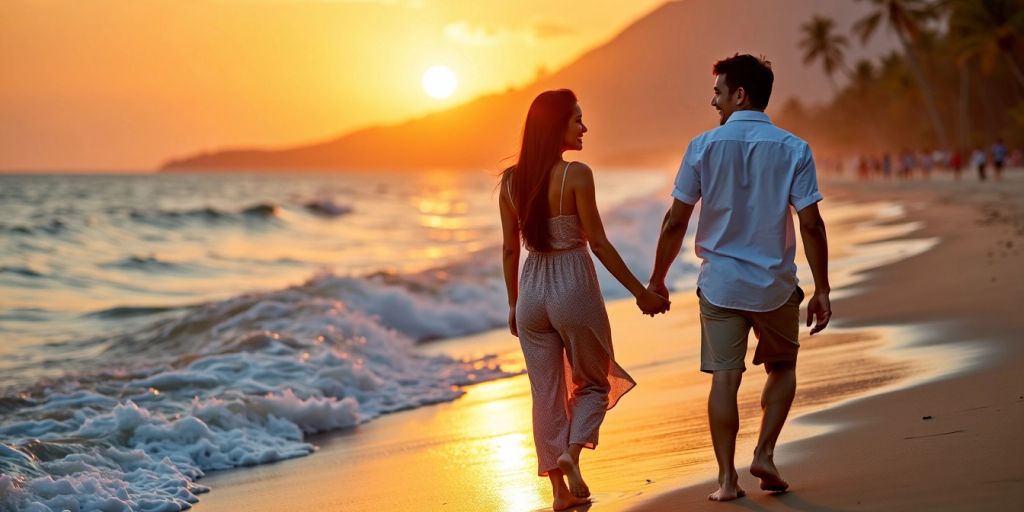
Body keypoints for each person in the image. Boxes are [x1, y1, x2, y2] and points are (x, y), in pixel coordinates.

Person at [647, 54, 831, 501]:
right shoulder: (794, 148)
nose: (713, 101)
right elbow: (810, 223)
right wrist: (822, 288)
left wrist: (657, 279)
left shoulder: (702, 147)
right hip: (774, 285)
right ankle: (764, 452)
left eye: (718, 92)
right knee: (782, 367)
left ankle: (727, 479)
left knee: (724, 379)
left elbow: (675, 221)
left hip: (722, 286)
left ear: (739, 94)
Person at [499, 89, 670, 510]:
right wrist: (640, 292)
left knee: (546, 393)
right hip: (572, 284)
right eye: (577, 119)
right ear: (556, 126)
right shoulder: (576, 174)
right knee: (593, 381)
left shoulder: (508, 182)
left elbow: (508, 249)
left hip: (531, 292)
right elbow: (598, 243)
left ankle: (559, 494)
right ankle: (571, 454)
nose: (584, 127)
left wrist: (512, 303)